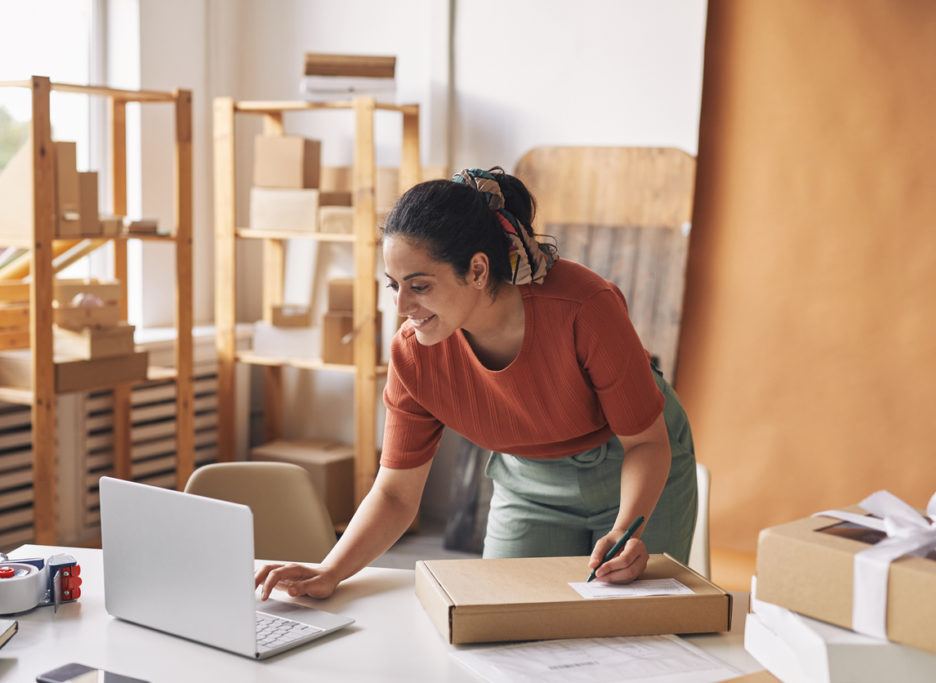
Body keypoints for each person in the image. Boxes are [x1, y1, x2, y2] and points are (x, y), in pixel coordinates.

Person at [255, 167, 697, 601]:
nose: (402, 306)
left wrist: (625, 530)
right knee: (505, 624)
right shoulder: (414, 353)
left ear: (479, 270)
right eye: (394, 286)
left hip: (634, 461)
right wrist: (331, 570)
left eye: (420, 286)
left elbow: (645, 443)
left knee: (635, 632)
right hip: (528, 482)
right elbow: (395, 492)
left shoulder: (583, 306)